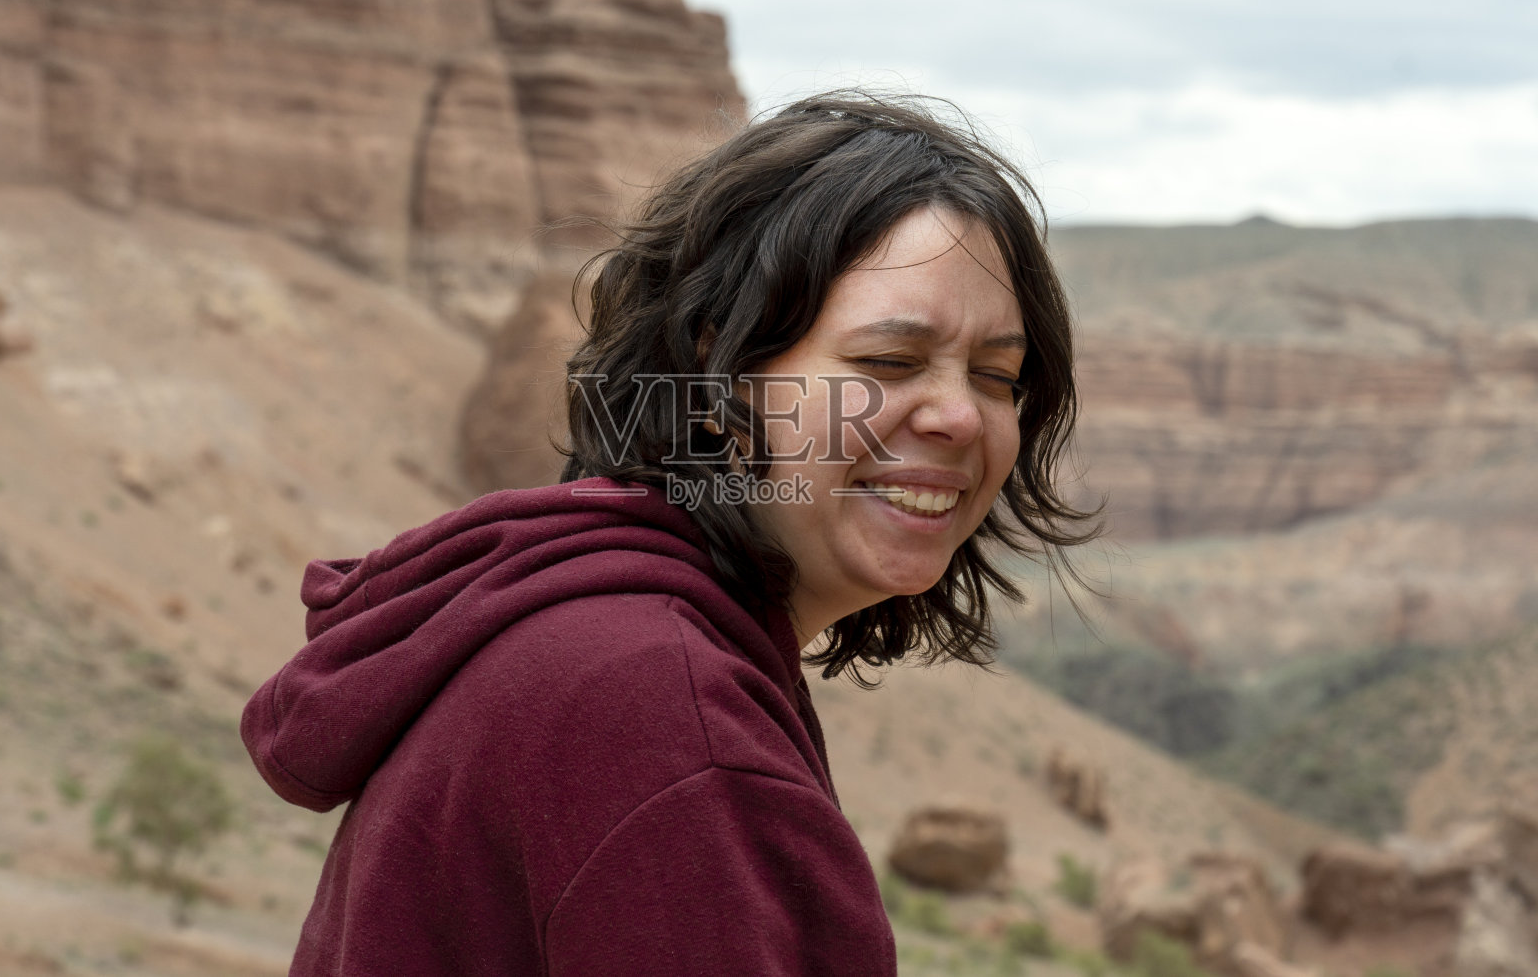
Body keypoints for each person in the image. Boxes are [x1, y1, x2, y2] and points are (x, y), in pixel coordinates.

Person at [241, 92, 1098, 976]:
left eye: (999, 375)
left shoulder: (595, 634)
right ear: (715, 371)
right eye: (888, 361)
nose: (961, 415)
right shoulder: (659, 710)